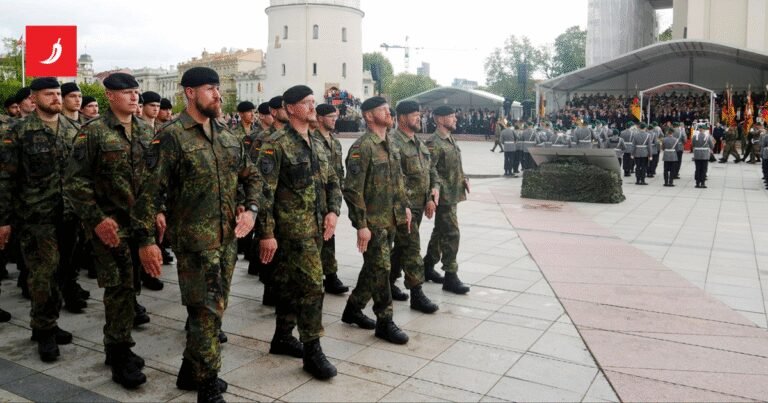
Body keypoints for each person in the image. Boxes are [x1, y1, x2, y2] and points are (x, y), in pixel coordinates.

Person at [135, 67, 261, 402]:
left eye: (218, 89)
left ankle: (190, 371)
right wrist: (147, 242)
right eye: (210, 88)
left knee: (214, 309)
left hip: (227, 241)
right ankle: (207, 386)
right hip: (195, 243)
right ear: (190, 93)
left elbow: (252, 177)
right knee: (205, 314)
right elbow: (149, 194)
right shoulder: (171, 137)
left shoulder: (227, 133)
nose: (218, 95)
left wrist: (250, 209)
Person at [65, 72, 154, 389]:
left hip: (139, 226)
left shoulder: (145, 130)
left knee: (132, 288)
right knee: (118, 290)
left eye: (136, 92)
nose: (134, 97)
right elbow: (74, 183)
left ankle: (117, 345)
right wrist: (96, 219)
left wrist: (159, 212)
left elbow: (151, 180)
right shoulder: (93, 133)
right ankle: (119, 353)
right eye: (127, 92)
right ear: (110, 96)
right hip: (109, 228)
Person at [256, 86, 340, 379]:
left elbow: (332, 181)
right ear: (290, 108)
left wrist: (333, 211)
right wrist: (266, 233)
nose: (313, 106)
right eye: (306, 103)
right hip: (291, 230)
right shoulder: (275, 144)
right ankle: (312, 348)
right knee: (313, 287)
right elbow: (263, 193)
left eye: (314, 102)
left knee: (292, 285)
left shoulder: (317, 142)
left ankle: (282, 336)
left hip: (316, 227)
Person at [0, 77, 80, 362]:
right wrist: (4, 220)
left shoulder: (73, 129)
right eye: (50, 94)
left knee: (61, 272)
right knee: (44, 272)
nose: (57, 98)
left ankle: (48, 321)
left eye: (58, 93)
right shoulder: (18, 131)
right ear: (34, 99)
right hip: (35, 216)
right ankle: (44, 330)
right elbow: (6, 178)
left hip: (68, 214)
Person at [341, 96, 412, 345]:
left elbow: (398, 179)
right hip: (373, 222)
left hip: (392, 218)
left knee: (374, 267)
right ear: (369, 116)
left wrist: (404, 208)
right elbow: (352, 190)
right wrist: (361, 225)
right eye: (383, 110)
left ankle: (353, 307)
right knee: (382, 269)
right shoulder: (363, 148)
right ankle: (385, 320)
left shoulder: (390, 144)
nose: (389, 112)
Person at [388, 100, 440, 313]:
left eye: (419, 114)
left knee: (400, 248)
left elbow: (430, 171)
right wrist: (405, 206)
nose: (418, 118)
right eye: (413, 115)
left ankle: (387, 282)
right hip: (403, 208)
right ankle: (417, 293)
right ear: (401, 118)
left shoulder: (418, 143)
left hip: (420, 205)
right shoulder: (393, 143)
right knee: (412, 249)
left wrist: (432, 193)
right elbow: (394, 180)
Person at [423, 105, 471, 294]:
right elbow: (429, 170)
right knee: (452, 234)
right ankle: (450, 275)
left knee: (440, 232)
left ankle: (427, 267)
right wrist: (433, 194)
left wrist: (464, 178)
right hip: (442, 196)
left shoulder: (449, 139)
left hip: (452, 193)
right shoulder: (434, 143)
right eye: (452, 117)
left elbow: (454, 165)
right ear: (440, 119)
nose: (455, 119)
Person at [313, 103, 350, 295]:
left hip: (331, 195)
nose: (334, 119)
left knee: (329, 235)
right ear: (319, 118)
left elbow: (339, 170)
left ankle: (330, 274)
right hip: (316, 195)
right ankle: (317, 275)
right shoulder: (313, 140)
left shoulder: (334, 142)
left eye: (335, 116)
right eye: (330, 117)